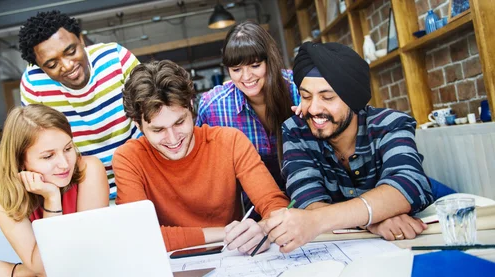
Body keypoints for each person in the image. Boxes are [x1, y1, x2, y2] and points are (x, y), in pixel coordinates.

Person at [263, 42, 434, 253]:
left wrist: (322, 219)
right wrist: (374, 221)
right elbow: (308, 203)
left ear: (352, 99)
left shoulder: (391, 124)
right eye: (306, 97)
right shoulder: (296, 131)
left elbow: (407, 185)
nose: (314, 108)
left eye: (327, 97)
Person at [113, 60, 290, 253]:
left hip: (233, 259)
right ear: (138, 126)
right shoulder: (128, 158)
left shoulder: (230, 142)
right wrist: (226, 233)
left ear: (190, 105)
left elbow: (276, 206)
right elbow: (138, 236)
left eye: (179, 122)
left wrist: (262, 229)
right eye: (158, 129)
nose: (173, 139)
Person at [18, 10, 140, 197]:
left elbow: (150, 115)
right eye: (51, 65)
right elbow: (40, 145)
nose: (67, 66)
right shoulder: (34, 84)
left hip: (138, 175)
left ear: (81, 40)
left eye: (71, 51)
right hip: (83, 187)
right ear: (39, 66)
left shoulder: (115, 58)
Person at [0, 104, 109, 277]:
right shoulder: (1, 196)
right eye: (48, 156)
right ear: (20, 161)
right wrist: (52, 198)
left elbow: (87, 256)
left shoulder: (89, 169)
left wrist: (19, 271)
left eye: (68, 148)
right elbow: (45, 267)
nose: (65, 164)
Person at [197, 21, 299, 191]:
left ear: (269, 61)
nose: (246, 77)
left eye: (255, 65)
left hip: (309, 193)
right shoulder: (213, 106)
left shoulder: (298, 89)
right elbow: (202, 164)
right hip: (250, 204)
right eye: (236, 69)